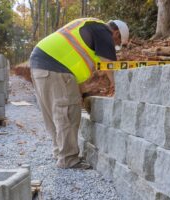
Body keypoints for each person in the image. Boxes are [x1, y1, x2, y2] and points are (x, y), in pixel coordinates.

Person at [29, 18, 129, 169]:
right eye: (116, 43)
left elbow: (78, 67)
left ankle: (60, 153)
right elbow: (111, 67)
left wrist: (84, 92)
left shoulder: (89, 28)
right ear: (115, 33)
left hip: (40, 65)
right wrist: (120, 88)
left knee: (55, 113)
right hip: (55, 67)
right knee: (67, 112)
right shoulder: (103, 31)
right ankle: (68, 159)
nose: (114, 46)